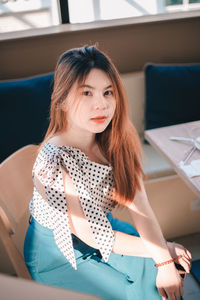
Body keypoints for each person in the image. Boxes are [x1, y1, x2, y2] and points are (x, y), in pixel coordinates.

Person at [24, 45, 192, 300]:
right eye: (87, 93)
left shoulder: (113, 137)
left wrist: (163, 258)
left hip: (103, 228)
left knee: (162, 271)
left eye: (107, 92)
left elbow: (140, 204)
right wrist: (163, 252)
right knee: (141, 287)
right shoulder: (55, 161)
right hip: (58, 253)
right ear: (62, 100)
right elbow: (92, 235)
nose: (101, 104)